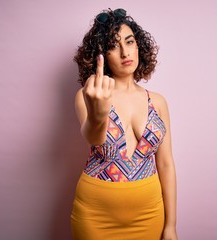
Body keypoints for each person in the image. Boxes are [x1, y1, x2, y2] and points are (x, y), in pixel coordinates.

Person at [70, 8, 177, 240]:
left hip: (149, 215)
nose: (124, 52)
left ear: (139, 46)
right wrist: (99, 114)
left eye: (129, 42)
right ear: (101, 56)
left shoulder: (157, 102)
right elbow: (93, 138)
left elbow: (166, 164)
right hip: (95, 216)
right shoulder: (89, 94)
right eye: (112, 46)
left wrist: (171, 225)